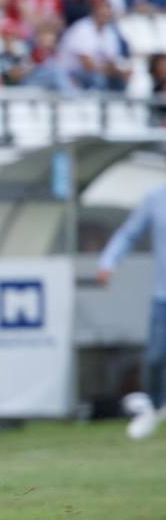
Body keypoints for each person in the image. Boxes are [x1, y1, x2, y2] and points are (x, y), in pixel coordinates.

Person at [96, 184, 166, 439]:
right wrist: (108, 262)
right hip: (163, 296)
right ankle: (156, 408)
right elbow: (128, 234)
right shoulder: (155, 197)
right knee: (156, 359)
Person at [56, 0, 131, 91]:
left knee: (120, 80)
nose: (105, 12)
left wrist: (120, 71)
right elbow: (87, 64)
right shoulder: (82, 28)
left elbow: (111, 61)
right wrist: (110, 70)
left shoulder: (109, 32)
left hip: (96, 72)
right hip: (70, 73)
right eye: (102, 8)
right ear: (94, 10)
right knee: (99, 79)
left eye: (107, 8)